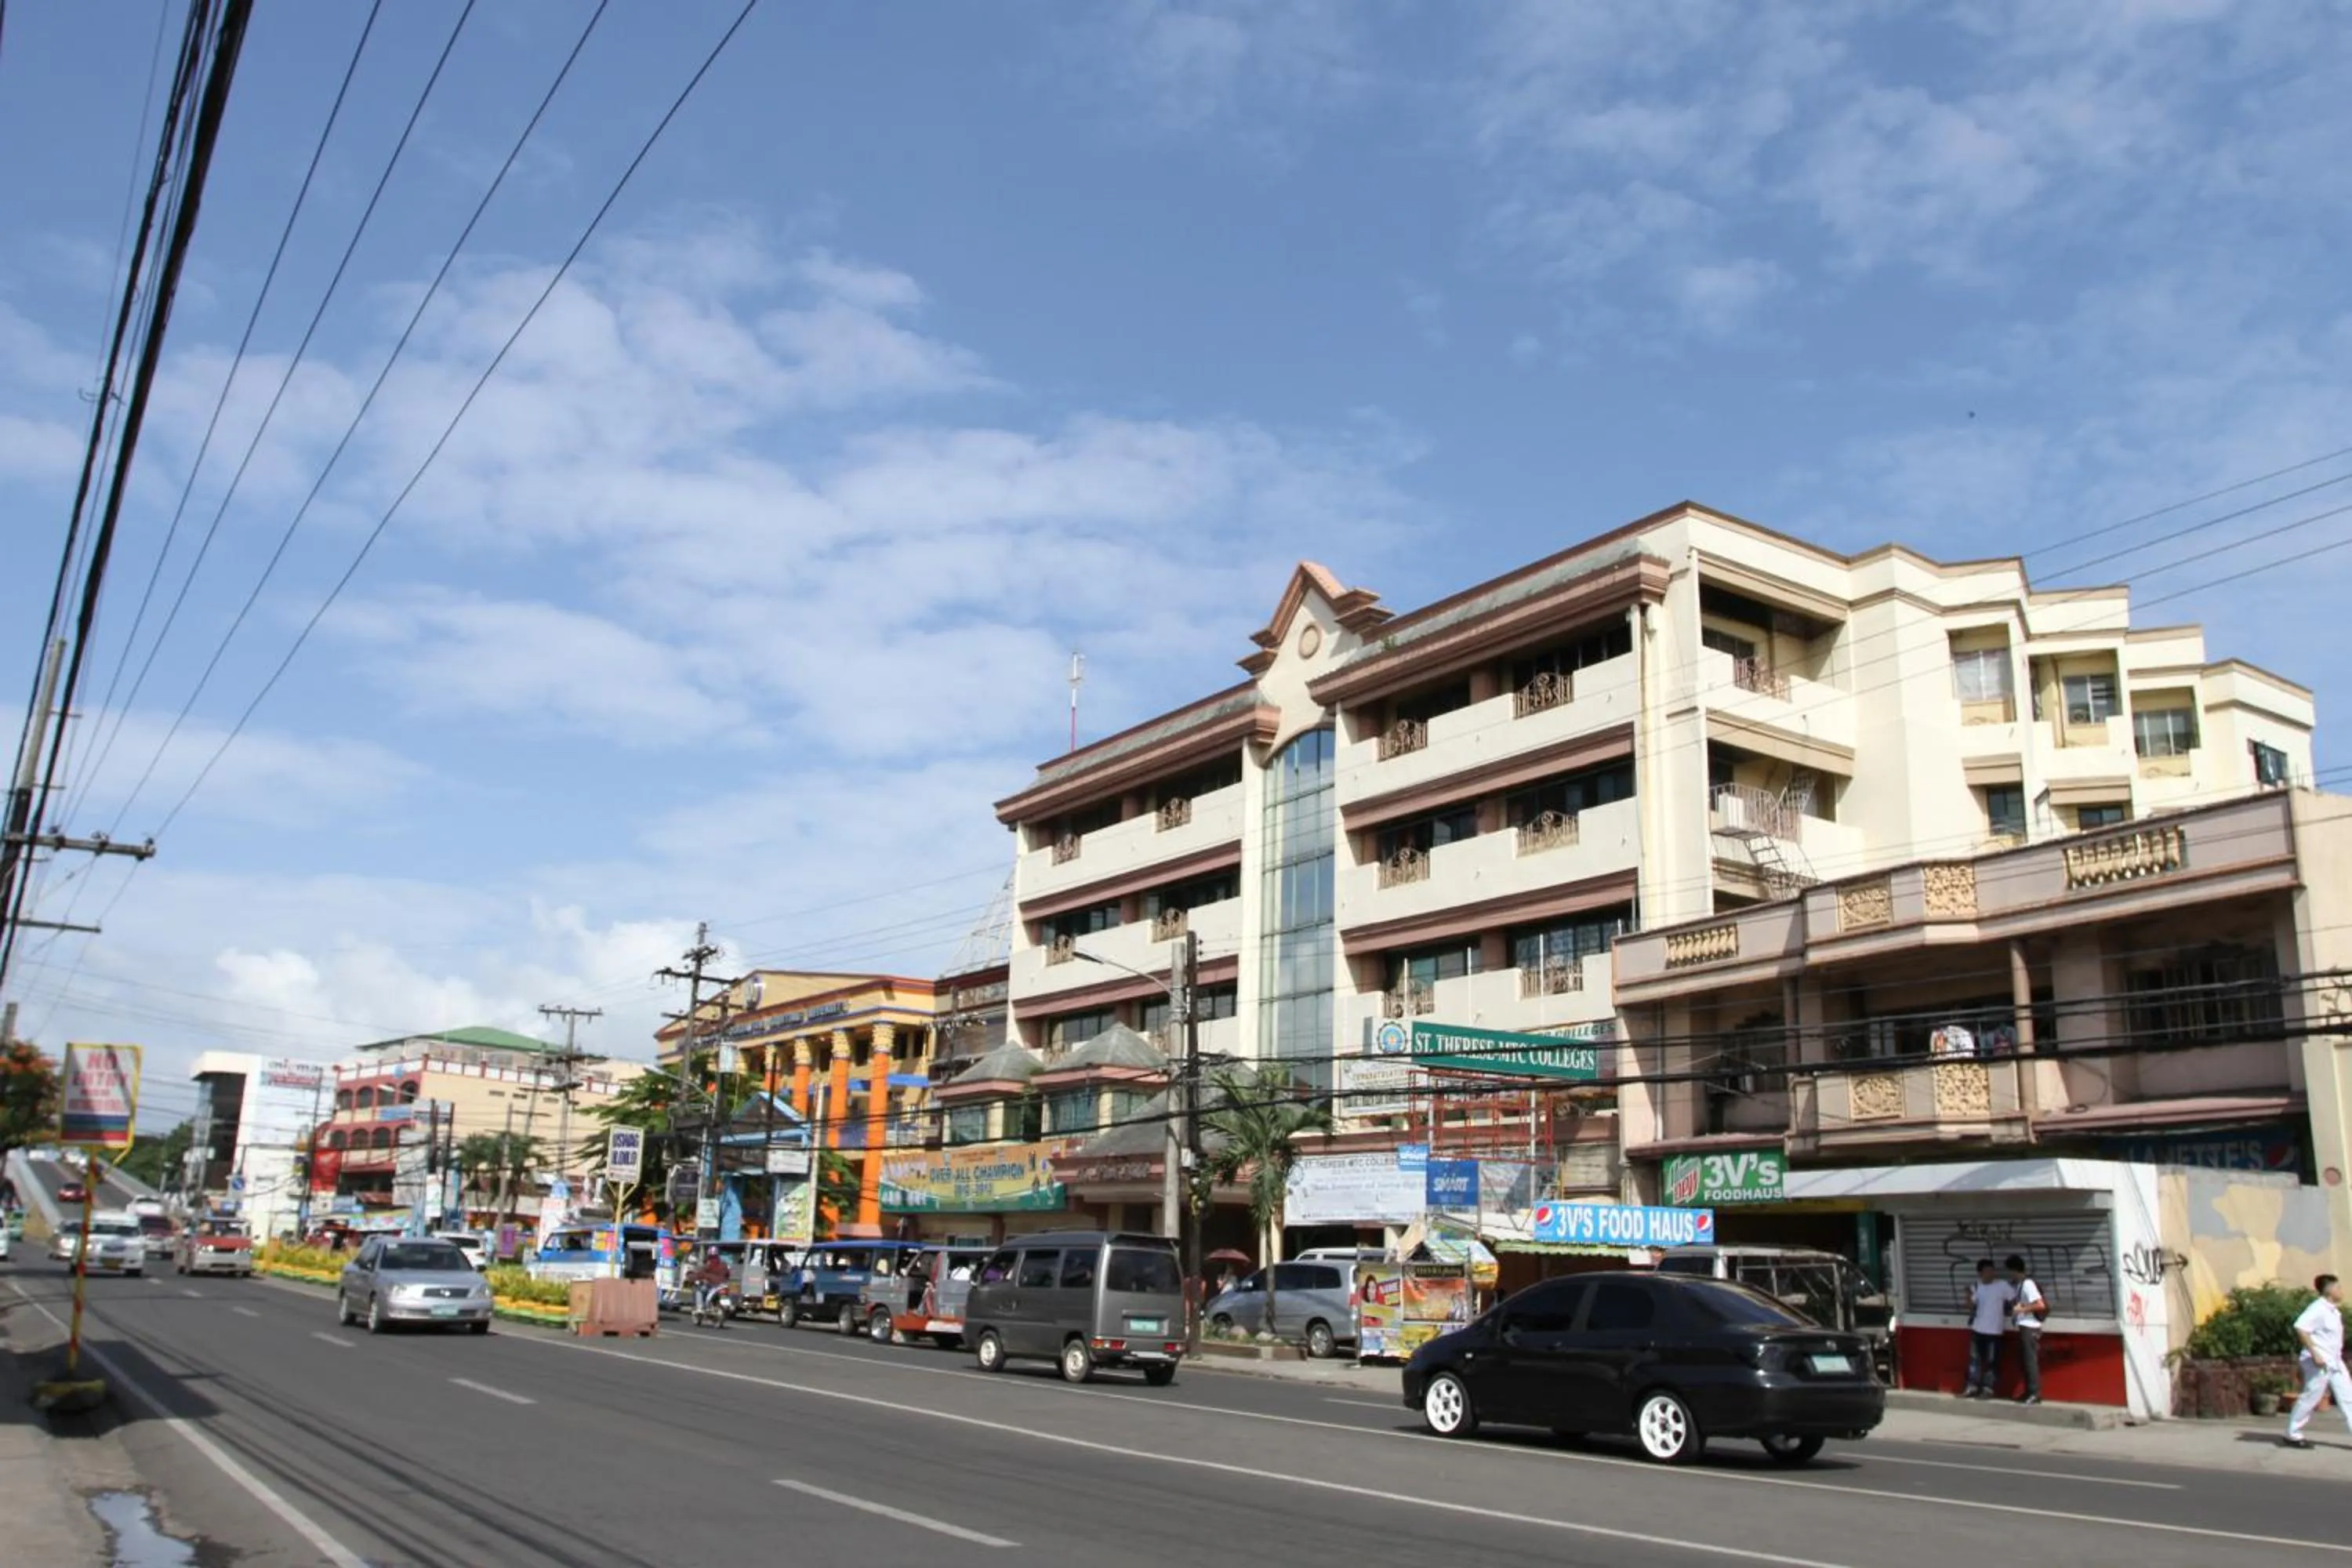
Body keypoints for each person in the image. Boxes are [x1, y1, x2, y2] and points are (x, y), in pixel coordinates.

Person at [2283, 1273, 2350, 1450]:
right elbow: (2301, 1327)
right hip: (2319, 1361)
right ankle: (2292, 1434)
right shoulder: (2318, 1309)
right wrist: (2315, 1353)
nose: (2341, 1291)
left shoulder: (2333, 1311)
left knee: (2348, 1397)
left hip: (2335, 1361)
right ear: (2329, 1290)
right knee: (2311, 1397)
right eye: (2338, 1287)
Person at [1964, 1258, 2016, 1399]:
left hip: (1994, 1331)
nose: (1991, 1274)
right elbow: (1970, 1307)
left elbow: (2014, 1300)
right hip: (1977, 1329)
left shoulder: (2002, 1285)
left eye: (1992, 1271)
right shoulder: (1977, 1286)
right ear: (1980, 1273)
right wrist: (1968, 1295)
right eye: (1987, 1271)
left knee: (1992, 1361)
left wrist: (2014, 1314)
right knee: (1974, 1360)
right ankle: (1972, 1386)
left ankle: (1988, 1388)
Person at [2006, 1254, 2045, 1406]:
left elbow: (2040, 1305)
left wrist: (2021, 1309)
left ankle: (2035, 1394)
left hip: (2030, 1328)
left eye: (2010, 1271)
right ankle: (2029, 1391)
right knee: (2024, 1361)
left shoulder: (2028, 1284)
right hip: (2025, 1327)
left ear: (2015, 1270)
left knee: (2030, 1362)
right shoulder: (2021, 1285)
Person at [694, 1247, 731, 1321]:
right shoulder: (723, 1264)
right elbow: (728, 1274)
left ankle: (700, 1308)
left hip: (713, 1286)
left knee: (699, 1290)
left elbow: (701, 1273)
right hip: (723, 1285)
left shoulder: (708, 1264)